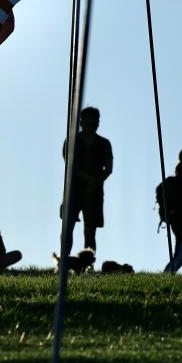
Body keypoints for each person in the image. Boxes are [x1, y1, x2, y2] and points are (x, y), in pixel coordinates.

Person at [61, 106, 113, 253]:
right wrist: (89, 179)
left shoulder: (104, 143)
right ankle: (64, 262)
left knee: (90, 232)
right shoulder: (71, 141)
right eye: (88, 123)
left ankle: (88, 266)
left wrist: (95, 182)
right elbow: (70, 164)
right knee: (67, 228)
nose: (91, 127)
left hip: (94, 193)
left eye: (94, 124)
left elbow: (109, 168)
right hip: (73, 191)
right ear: (81, 123)